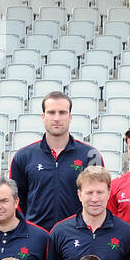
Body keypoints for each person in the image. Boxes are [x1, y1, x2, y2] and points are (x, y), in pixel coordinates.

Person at [9, 90, 103, 231]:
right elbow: (17, 200)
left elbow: (98, 195)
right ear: (43, 116)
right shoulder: (23, 156)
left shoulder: (90, 154)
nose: (57, 118)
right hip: (37, 235)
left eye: (62, 113)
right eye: (51, 112)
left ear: (70, 117)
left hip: (77, 234)